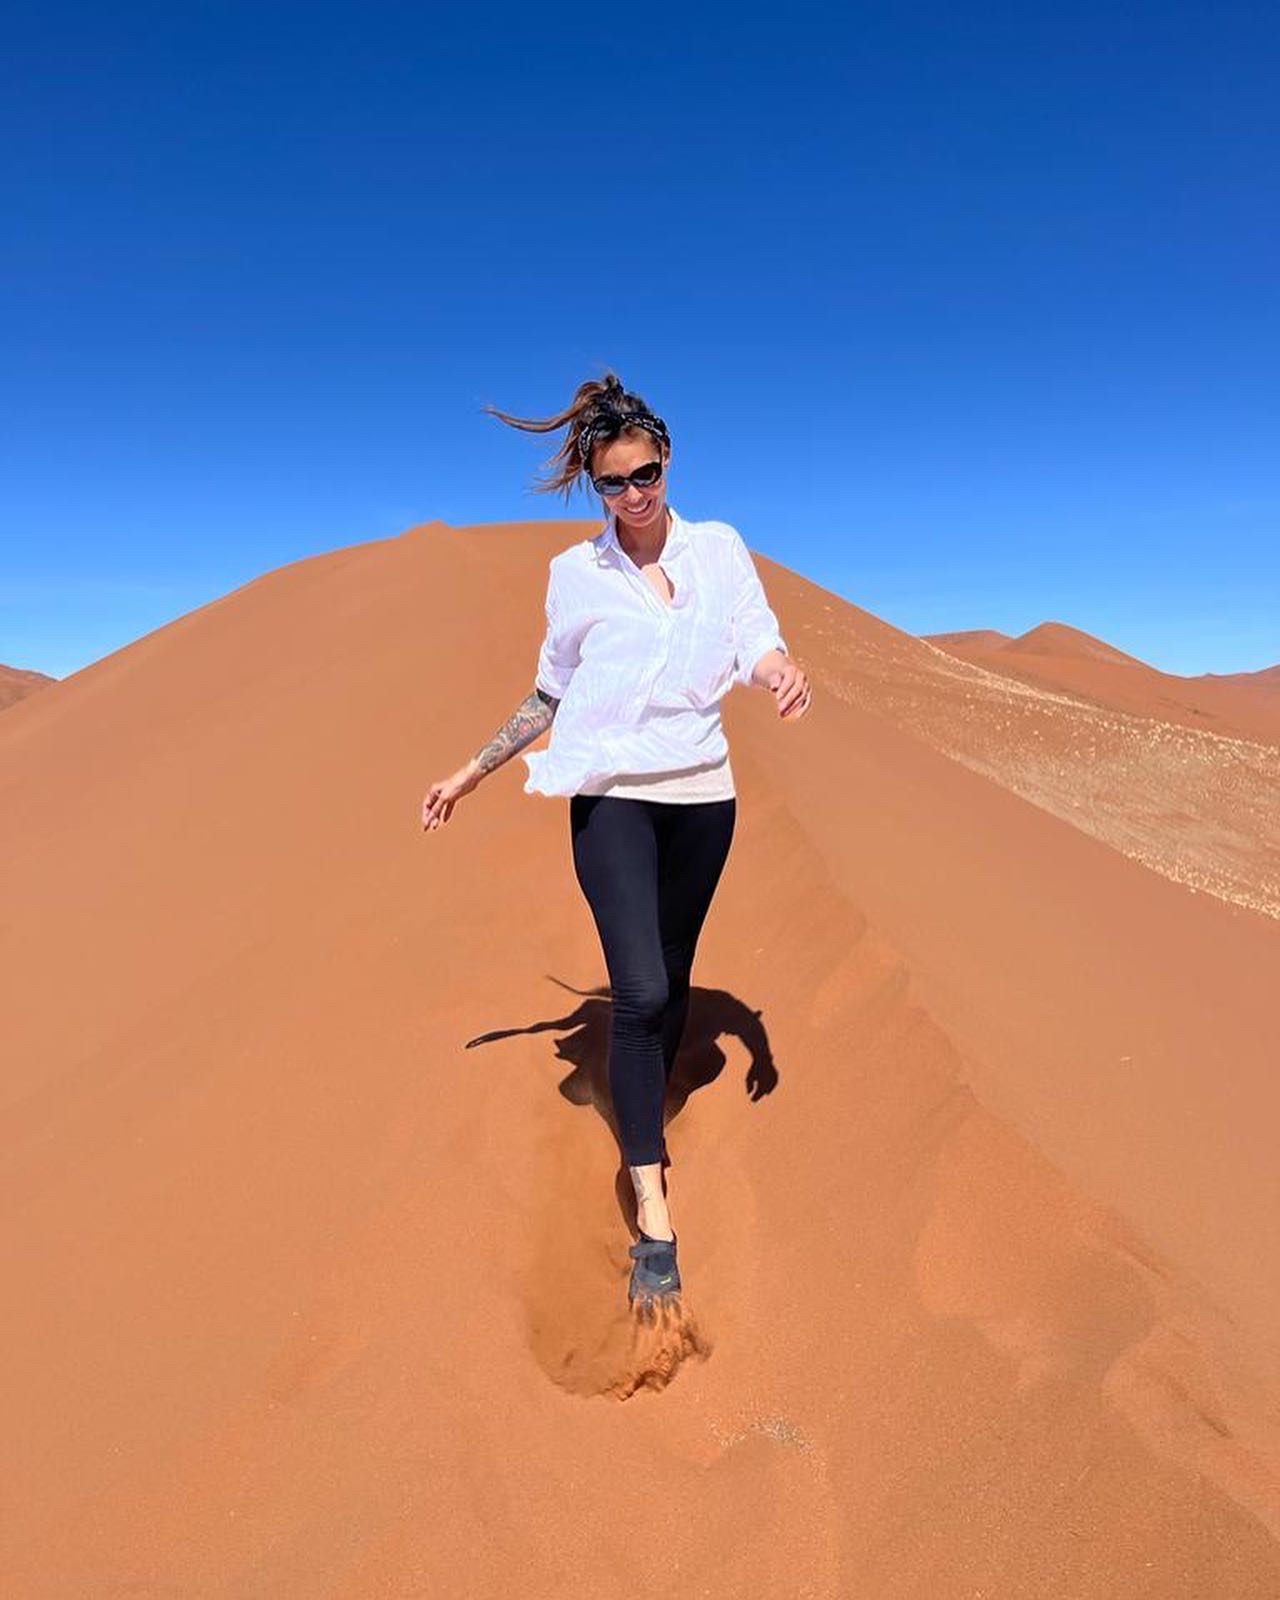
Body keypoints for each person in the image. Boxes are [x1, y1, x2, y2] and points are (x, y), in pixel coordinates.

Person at [422, 372, 811, 1312]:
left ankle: (644, 1086)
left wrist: (778, 669)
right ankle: (654, 1206)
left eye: (643, 475)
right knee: (637, 989)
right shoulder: (575, 574)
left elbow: (754, 637)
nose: (632, 496)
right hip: (607, 795)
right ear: (595, 486)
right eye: (613, 483)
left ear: (667, 460)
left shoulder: (719, 550)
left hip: (702, 796)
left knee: (674, 981)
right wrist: (471, 771)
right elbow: (552, 692)